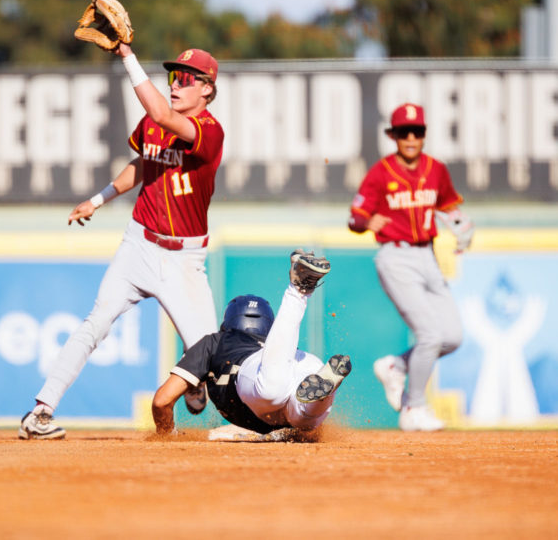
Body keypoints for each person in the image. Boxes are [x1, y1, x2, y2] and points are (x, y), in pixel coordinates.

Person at [20, 42, 224, 440]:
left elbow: (162, 115)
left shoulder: (210, 131)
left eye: (185, 79)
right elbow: (143, 163)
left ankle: (196, 377)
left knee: (210, 355)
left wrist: (127, 56)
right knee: (95, 322)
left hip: (184, 259)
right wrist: (98, 200)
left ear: (207, 89)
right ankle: (41, 412)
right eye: (172, 77)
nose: (175, 84)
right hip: (139, 244)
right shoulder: (153, 122)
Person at [347, 102, 474, 432]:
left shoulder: (435, 169)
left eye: (416, 132)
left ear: (424, 135)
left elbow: (448, 206)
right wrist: (365, 222)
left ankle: (396, 366)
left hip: (428, 256)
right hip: (396, 256)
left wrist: (460, 224)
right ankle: (413, 408)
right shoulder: (381, 173)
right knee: (430, 335)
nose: (411, 139)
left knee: (452, 337)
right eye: (404, 132)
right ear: (394, 136)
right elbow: (354, 217)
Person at [152, 249, 351, 438]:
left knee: (271, 392)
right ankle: (323, 393)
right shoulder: (277, 342)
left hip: (261, 371)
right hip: (300, 363)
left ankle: (298, 291)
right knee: (303, 419)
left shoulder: (216, 341)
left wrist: (166, 436)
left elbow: (162, 401)